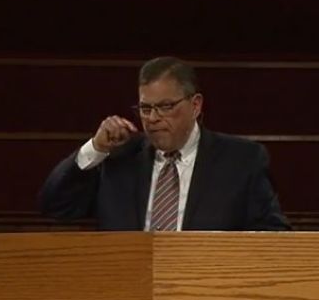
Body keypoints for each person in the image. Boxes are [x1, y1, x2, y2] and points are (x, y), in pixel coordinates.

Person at [39, 56, 290, 231]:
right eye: (146, 108)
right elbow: (55, 206)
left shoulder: (241, 161)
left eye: (166, 107)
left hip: (208, 297)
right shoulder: (118, 159)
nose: (153, 119)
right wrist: (96, 148)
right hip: (127, 295)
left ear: (195, 105)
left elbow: (273, 235)